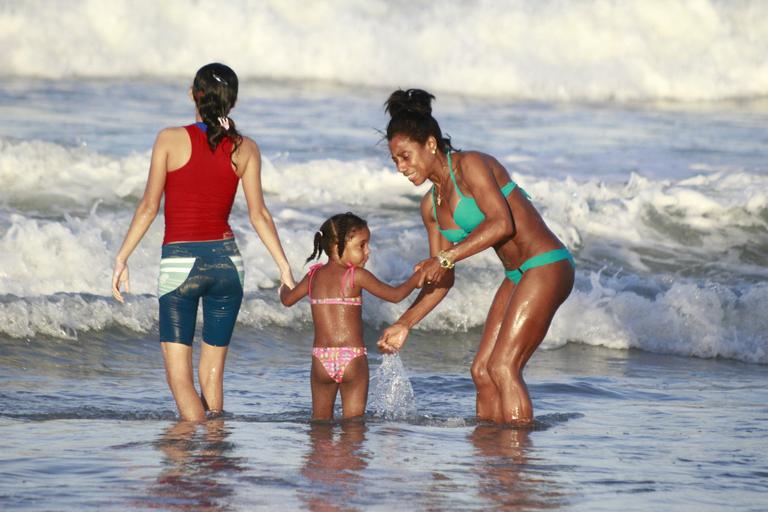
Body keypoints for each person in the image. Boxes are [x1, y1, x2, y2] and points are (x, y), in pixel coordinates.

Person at [377, 89, 575, 425]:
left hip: (547, 264)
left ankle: (516, 459)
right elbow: (444, 277)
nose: (400, 167)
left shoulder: (471, 165)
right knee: (482, 371)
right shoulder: (431, 207)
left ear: (430, 144)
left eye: (405, 156)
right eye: (395, 160)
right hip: (517, 275)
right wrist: (404, 323)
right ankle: (490, 462)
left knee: (503, 366)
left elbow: (502, 222)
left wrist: (444, 258)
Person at [111, 63, 295, 422]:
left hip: (181, 266)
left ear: (193, 94)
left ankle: (191, 445)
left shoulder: (168, 138)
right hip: (228, 266)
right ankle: (214, 454)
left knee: (178, 377)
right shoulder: (246, 148)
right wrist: (284, 267)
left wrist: (122, 257)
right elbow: (259, 215)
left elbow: (149, 206)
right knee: (212, 374)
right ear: (233, 103)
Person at [280, 212, 420, 420]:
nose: (368, 251)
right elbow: (396, 295)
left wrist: (283, 285)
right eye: (362, 246)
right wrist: (417, 277)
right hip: (352, 358)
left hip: (321, 359)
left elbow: (288, 300)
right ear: (337, 246)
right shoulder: (355, 276)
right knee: (353, 429)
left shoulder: (313, 276)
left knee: (319, 426)